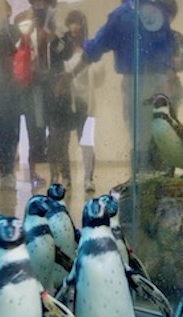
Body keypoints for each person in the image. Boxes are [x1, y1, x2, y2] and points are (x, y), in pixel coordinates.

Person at [70, 0, 182, 172]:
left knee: (140, 138)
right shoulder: (157, 11)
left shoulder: (122, 14)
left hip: (136, 82)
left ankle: (143, 181)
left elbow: (96, 47)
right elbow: (168, 53)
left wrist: (72, 73)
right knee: (160, 133)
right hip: (162, 81)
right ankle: (159, 181)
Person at [18, 0, 73, 186]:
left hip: (56, 86)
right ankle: (32, 172)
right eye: (36, 3)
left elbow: (67, 53)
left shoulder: (61, 29)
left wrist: (53, 39)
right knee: (34, 130)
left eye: (46, 3)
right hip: (33, 86)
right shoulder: (24, 27)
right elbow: (18, 53)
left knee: (57, 132)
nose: (41, 7)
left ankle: (59, 174)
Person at [63, 9, 104, 193]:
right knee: (62, 141)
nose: (74, 28)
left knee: (86, 141)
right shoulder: (63, 51)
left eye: (77, 23)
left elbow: (100, 77)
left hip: (86, 104)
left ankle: (88, 178)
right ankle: (65, 178)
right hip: (66, 103)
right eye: (71, 24)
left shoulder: (90, 50)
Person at [0, 0, 21, 190]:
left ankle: (6, 170)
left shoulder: (12, 31)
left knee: (8, 130)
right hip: (1, 89)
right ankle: (5, 170)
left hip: (10, 88)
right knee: (3, 130)